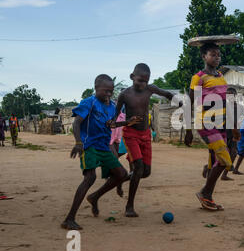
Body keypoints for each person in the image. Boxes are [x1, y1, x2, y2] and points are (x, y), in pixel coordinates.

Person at [61, 74, 140, 230]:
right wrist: (78, 142)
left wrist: (127, 122)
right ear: (96, 88)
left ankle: (95, 196)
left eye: (111, 91)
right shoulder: (88, 103)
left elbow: (110, 124)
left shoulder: (111, 106)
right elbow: (77, 123)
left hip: (104, 147)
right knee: (90, 177)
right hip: (89, 146)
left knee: (121, 174)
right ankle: (69, 219)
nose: (109, 94)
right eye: (106, 91)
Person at [113, 63, 175, 217]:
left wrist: (179, 101)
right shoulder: (124, 95)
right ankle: (129, 206)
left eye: (146, 81)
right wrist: (127, 122)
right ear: (132, 77)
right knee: (138, 167)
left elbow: (166, 93)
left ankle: (119, 179)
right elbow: (114, 120)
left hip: (146, 134)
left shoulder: (150, 89)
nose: (143, 84)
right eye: (140, 80)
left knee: (145, 172)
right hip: (130, 134)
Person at [184, 42, 238, 211]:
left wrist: (233, 126)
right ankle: (205, 193)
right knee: (225, 159)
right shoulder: (198, 77)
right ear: (204, 57)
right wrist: (188, 130)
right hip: (205, 123)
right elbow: (189, 103)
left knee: (217, 161)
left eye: (218, 54)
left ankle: (207, 197)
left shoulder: (221, 76)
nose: (216, 57)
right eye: (212, 54)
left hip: (221, 124)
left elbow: (225, 103)